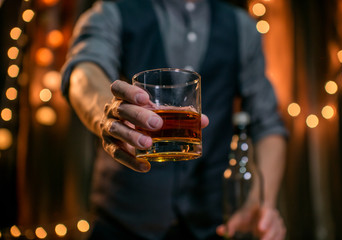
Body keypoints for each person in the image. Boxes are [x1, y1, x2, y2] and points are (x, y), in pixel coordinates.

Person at [61, 0, 288, 239]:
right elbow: (84, 70)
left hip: (211, 225)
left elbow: (268, 124)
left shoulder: (242, 26)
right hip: (122, 223)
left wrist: (260, 204)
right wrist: (105, 114)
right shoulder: (112, 10)